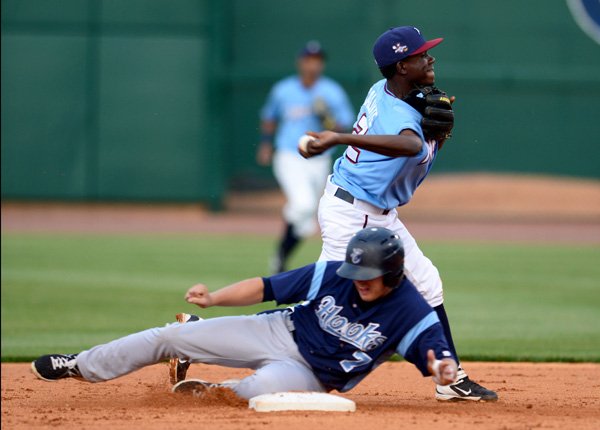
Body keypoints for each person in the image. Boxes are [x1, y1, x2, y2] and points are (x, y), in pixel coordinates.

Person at [297, 26, 498, 402]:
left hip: (374, 213)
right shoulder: (396, 111)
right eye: (422, 54)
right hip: (353, 215)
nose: (430, 57)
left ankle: (448, 378)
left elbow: (405, 136)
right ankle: (202, 340)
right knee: (323, 302)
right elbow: (406, 144)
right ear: (402, 65)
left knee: (427, 283)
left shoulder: (386, 89)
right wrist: (340, 138)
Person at [31, 227, 459, 400]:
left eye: (369, 274)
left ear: (394, 272)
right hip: (277, 331)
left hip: (313, 375)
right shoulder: (333, 274)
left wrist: (442, 370)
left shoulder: (410, 310)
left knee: (255, 394)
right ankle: (82, 365)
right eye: (356, 272)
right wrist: (214, 297)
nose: (359, 281)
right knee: (170, 337)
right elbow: (265, 288)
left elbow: (435, 352)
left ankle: (215, 390)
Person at [257, 41, 355, 274]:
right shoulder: (284, 89)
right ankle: (283, 253)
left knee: (307, 223)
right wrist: (265, 144)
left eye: (318, 60)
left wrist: (327, 118)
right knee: (303, 204)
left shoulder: (331, 91)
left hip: (319, 159)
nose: (313, 64)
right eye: (309, 59)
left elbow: (345, 125)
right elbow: (269, 117)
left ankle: (280, 257)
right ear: (301, 62)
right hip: (289, 155)